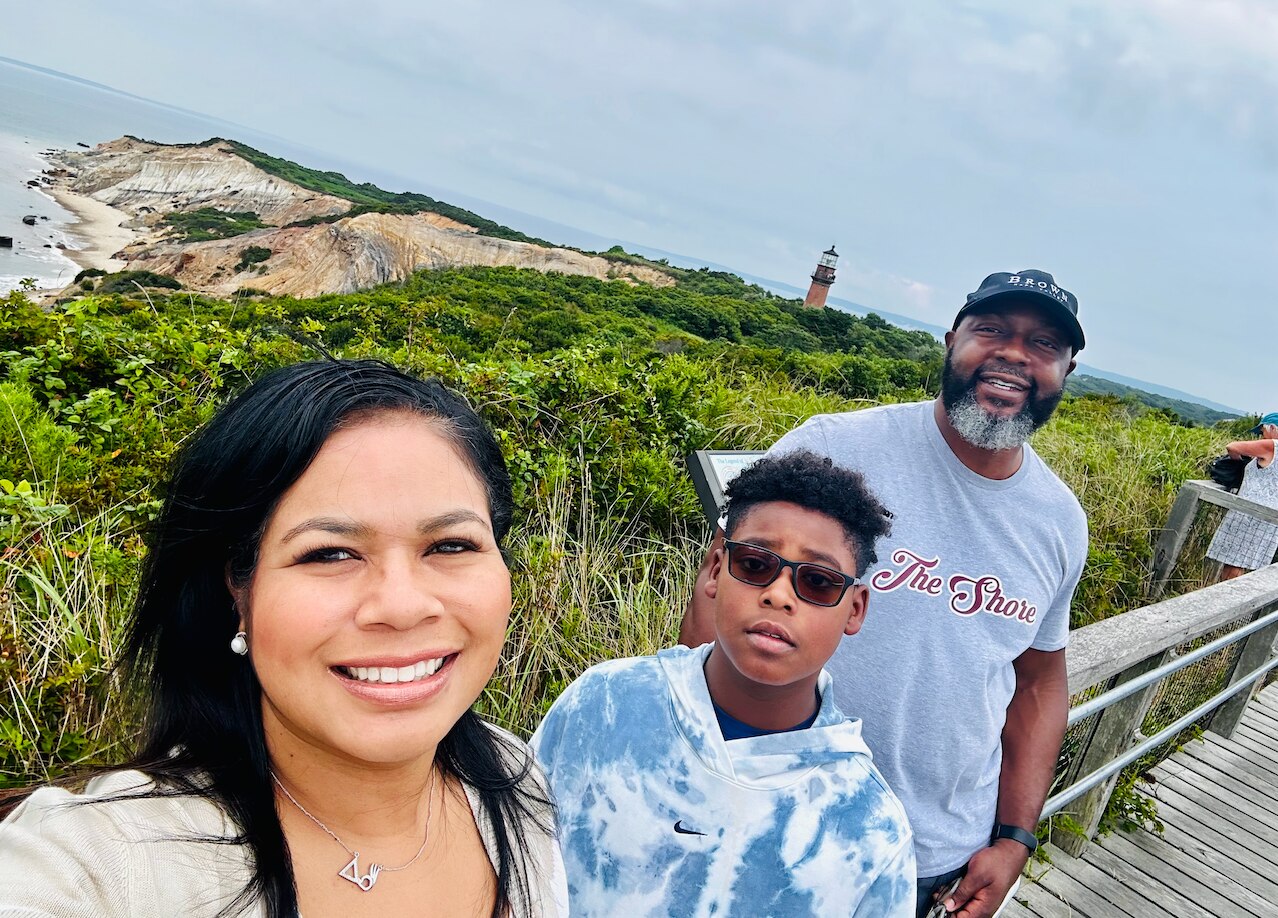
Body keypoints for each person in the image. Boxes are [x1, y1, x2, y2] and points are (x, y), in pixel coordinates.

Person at [0, 360, 567, 918]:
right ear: (237, 591)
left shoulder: (514, 779)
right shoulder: (100, 865)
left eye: (450, 545)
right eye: (330, 554)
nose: (402, 607)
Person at [681, 269, 1089, 918]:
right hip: (769, 825)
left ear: (1066, 371)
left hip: (934, 861)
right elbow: (720, 593)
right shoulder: (832, 447)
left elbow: (1039, 683)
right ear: (952, 341)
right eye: (991, 330)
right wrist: (699, 769)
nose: (1014, 353)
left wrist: (1015, 838)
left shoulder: (1060, 520)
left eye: (1043, 343)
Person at [532, 450, 914, 917]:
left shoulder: (869, 826)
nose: (778, 594)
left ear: (854, 609)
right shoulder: (604, 703)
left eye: (817, 581)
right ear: (715, 570)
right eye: (755, 565)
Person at [1207, 412, 1278, 581]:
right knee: (1245, 562)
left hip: (1250, 513)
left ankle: (1224, 595)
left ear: (1273, 428)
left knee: (1234, 563)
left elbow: (1233, 447)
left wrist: (1238, 461)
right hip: (1270, 516)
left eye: (1262, 432)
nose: (1261, 437)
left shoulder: (1272, 445)